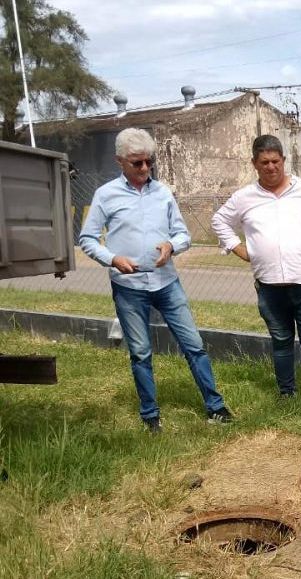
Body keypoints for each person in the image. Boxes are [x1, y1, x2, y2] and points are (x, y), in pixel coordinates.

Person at [79, 128, 232, 433]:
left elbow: (182, 234)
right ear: (120, 161)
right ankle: (150, 416)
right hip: (129, 288)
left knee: (194, 345)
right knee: (140, 352)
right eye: (137, 163)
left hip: (166, 282)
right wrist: (112, 259)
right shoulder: (106, 195)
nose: (145, 169)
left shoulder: (162, 192)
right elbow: (87, 238)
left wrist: (171, 246)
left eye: (149, 162)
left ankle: (215, 407)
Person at [211, 135, 301, 397]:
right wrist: (237, 247)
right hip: (269, 285)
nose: (271, 167)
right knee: (282, 342)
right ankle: (287, 393)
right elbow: (220, 221)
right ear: (254, 164)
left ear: (283, 161)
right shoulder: (244, 197)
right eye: (264, 162)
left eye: (275, 161)